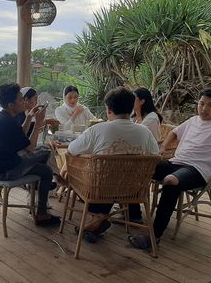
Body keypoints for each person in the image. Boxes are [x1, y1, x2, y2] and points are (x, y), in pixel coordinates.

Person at [129, 89, 211, 250]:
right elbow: (175, 132)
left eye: (210, 105)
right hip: (176, 162)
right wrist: (163, 148)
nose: (204, 108)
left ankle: (155, 236)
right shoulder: (193, 120)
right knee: (139, 167)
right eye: (201, 104)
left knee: (171, 181)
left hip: (198, 170)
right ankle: (134, 214)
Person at [65, 87, 159, 241]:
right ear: (131, 107)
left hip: (99, 189)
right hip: (133, 189)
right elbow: (155, 155)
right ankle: (98, 221)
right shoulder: (144, 132)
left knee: (87, 177)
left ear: (109, 108)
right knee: (113, 179)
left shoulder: (97, 130)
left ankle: (97, 220)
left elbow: (71, 149)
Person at [0, 83, 61, 226]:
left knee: (43, 152)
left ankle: (37, 188)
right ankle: (41, 212)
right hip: (5, 171)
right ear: (11, 104)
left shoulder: (1, 117)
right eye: (21, 100)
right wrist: (38, 123)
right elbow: (30, 147)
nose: (24, 102)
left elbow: (20, 135)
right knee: (46, 169)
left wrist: (29, 116)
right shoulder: (8, 123)